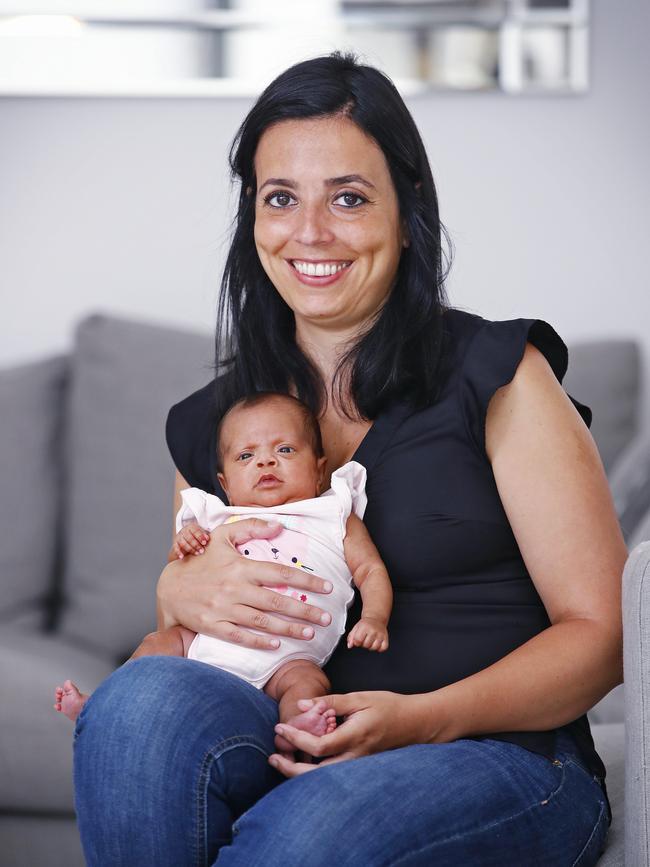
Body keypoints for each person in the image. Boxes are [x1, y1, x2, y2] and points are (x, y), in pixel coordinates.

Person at [73, 51, 626, 866]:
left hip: (503, 756)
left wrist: (422, 717)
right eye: (280, 199)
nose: (310, 233)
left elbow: (606, 634)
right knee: (135, 710)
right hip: (287, 734)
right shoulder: (216, 427)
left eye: (349, 197)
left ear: (406, 213)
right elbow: (202, 649)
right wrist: (174, 591)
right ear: (252, 222)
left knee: (310, 830)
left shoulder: (500, 376)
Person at [55, 392, 391, 755]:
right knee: (157, 644)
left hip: (288, 658)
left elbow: (370, 569)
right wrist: (186, 542)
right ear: (226, 483)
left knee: (310, 684)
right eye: (246, 456)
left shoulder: (334, 515)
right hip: (204, 645)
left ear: (319, 469)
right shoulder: (218, 517)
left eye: (285, 451)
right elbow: (180, 570)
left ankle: (296, 731)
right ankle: (105, 705)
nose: (266, 462)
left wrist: (374, 618)